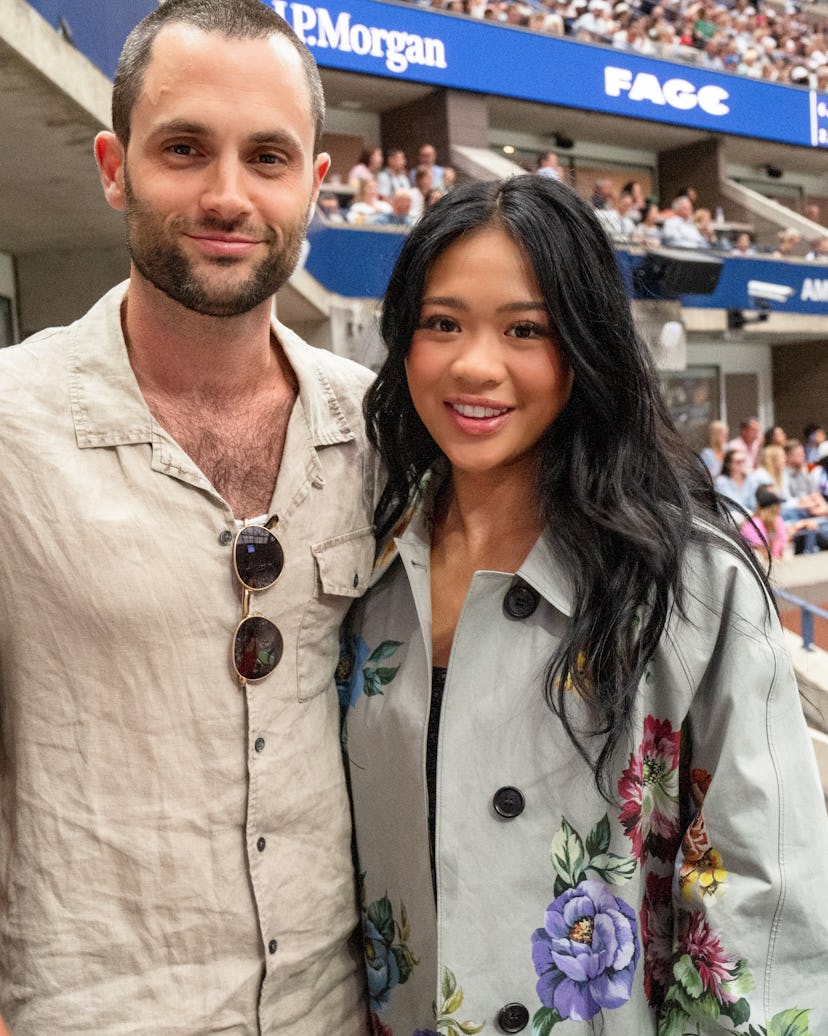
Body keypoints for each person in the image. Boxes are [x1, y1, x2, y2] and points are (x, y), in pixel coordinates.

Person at [339, 176, 828, 1035]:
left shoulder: (690, 584)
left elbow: (762, 908)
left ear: (584, 346)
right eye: (442, 323)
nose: (474, 364)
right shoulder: (363, 565)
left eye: (525, 329)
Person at [0, 0, 380, 1031]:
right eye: (183, 149)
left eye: (268, 157)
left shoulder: (379, 430)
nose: (228, 194)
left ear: (313, 182)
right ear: (113, 166)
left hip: (330, 1010)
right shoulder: (11, 426)